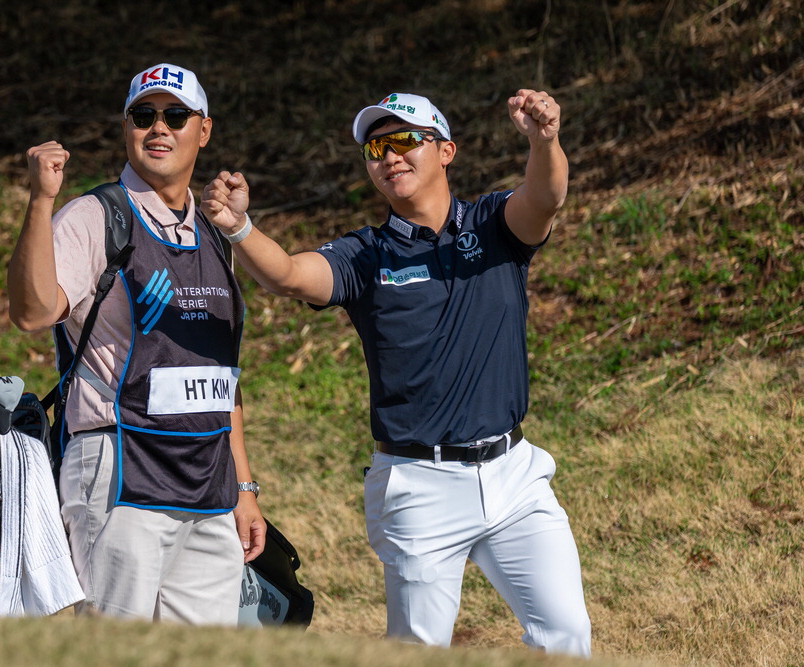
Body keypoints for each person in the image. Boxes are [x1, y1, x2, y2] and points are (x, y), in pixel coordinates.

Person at [201, 89, 591, 655]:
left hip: (515, 476)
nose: (390, 156)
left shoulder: (494, 224)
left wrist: (545, 141)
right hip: (418, 484)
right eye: (375, 148)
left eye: (405, 140)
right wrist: (239, 228)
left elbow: (547, 196)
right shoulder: (366, 254)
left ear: (446, 151)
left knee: (567, 635)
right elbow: (288, 274)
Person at [7, 62, 265, 624]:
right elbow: (32, 312)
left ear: (204, 129)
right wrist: (40, 202)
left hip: (210, 485)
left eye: (176, 115)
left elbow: (221, 376)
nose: (159, 127)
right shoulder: (95, 216)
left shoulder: (215, 230)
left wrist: (244, 487)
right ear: (127, 127)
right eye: (143, 115)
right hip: (121, 473)